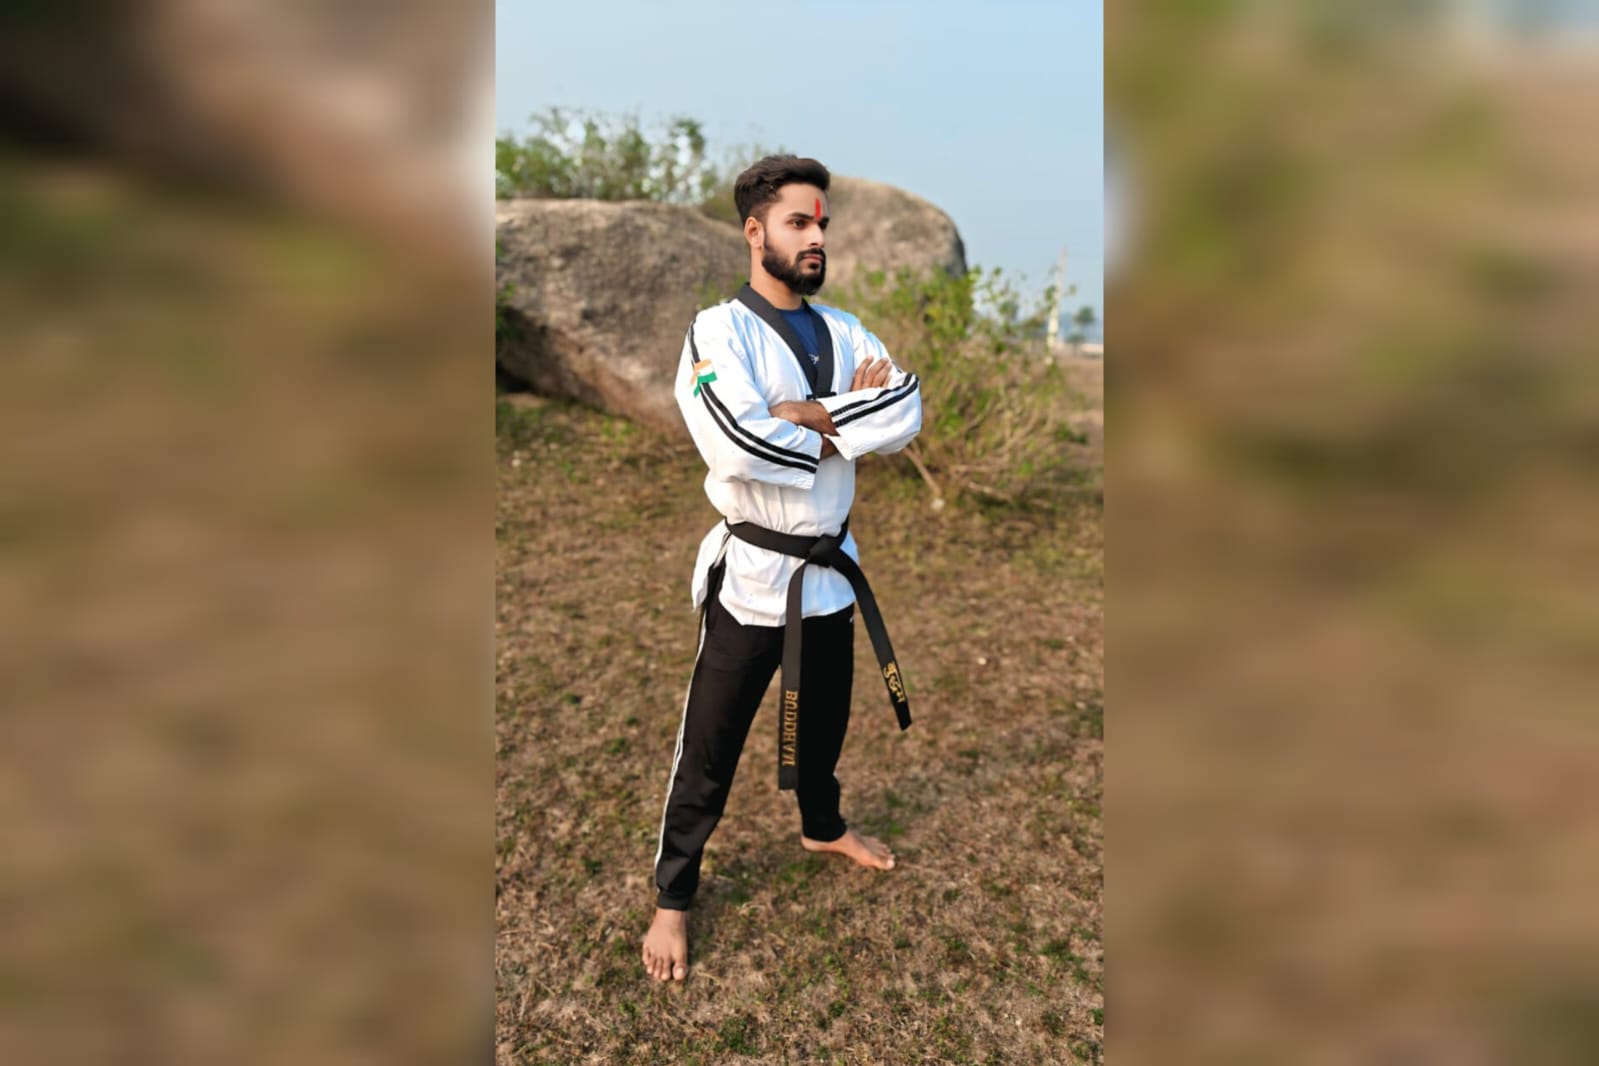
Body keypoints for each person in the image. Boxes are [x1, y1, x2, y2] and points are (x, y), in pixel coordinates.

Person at [641, 155, 923, 983]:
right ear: (754, 231)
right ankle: (673, 898)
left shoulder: (846, 329)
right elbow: (736, 440)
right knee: (710, 747)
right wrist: (846, 424)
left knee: (824, 724)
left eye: (821, 224)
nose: (815, 237)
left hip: (830, 572)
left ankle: (820, 825)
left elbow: (905, 407)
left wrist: (808, 413)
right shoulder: (717, 332)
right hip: (755, 578)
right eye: (798, 223)